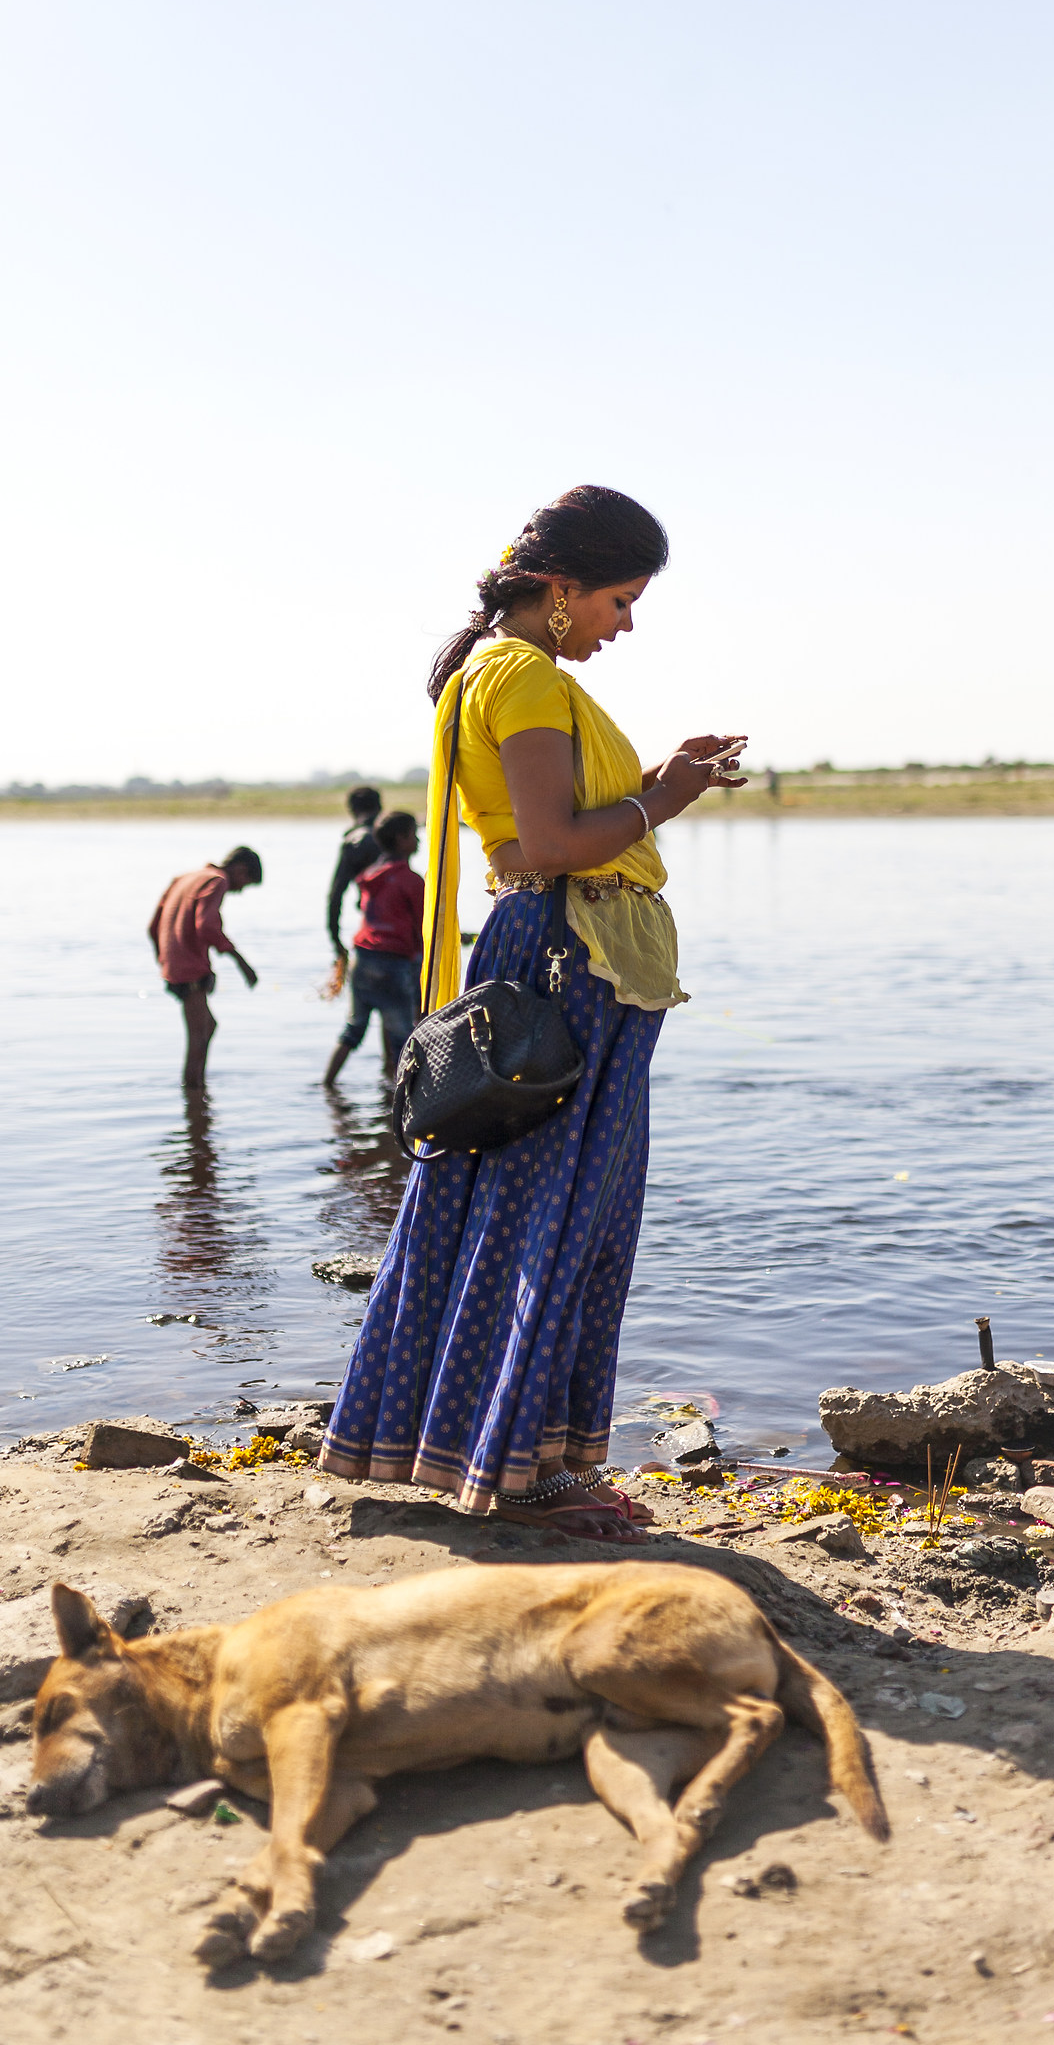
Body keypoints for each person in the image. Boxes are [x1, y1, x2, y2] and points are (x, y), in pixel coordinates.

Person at [318, 484, 746, 1541]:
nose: (626, 623)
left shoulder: (514, 674)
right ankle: (526, 1470)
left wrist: (656, 778)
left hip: (568, 950)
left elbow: (548, 824)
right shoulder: (520, 674)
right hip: (568, 953)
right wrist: (668, 800)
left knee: (527, 1210)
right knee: (557, 1217)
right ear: (559, 590)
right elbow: (548, 846)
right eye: (619, 600)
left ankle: (482, 1449)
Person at [147, 847, 262, 1090]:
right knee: (198, 1037)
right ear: (240, 869)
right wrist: (241, 962)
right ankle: (194, 1095)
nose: (240, 891)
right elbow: (207, 926)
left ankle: (198, 1101)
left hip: (176, 964)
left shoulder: (186, 878)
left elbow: (152, 926)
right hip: (189, 968)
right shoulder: (217, 880)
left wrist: (165, 960)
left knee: (208, 1026)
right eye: (245, 884)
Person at [324, 811, 424, 1086]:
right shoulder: (411, 881)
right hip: (394, 964)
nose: (418, 840)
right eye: (414, 834)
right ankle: (401, 1102)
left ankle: (326, 1085)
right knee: (404, 1038)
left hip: (363, 959)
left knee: (353, 1029)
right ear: (401, 839)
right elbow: (422, 927)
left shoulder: (370, 876)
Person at [322, 787, 383, 1002]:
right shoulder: (393, 835)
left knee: (358, 1019)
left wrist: (335, 939)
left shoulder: (354, 841)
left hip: (373, 932)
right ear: (380, 807)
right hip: (406, 936)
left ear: (351, 810)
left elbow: (335, 894)